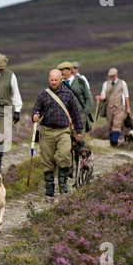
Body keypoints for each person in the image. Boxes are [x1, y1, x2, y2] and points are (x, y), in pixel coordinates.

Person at [32, 69, 83, 197]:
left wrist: (79, 130)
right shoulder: (43, 94)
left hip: (63, 131)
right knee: (47, 160)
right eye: (51, 80)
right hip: (47, 131)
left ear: (61, 80)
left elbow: (75, 113)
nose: (54, 82)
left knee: (65, 155)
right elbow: (36, 110)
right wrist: (35, 116)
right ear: (49, 80)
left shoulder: (68, 94)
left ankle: (63, 184)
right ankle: (49, 186)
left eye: (56, 80)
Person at [96, 68, 131, 147]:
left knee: (117, 124)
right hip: (109, 107)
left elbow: (126, 95)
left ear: (117, 75)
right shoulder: (105, 84)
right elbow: (103, 95)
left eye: (113, 76)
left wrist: (128, 107)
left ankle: (114, 141)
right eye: (110, 76)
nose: (112, 78)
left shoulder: (122, 83)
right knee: (110, 125)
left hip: (119, 107)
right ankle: (112, 141)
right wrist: (100, 97)